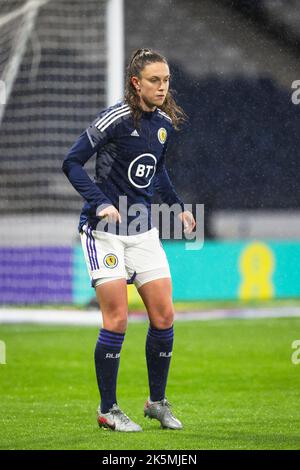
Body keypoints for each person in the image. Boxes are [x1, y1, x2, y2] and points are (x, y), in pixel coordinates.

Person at [62, 48, 196, 432]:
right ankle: (108, 408)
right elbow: (71, 161)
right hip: (104, 234)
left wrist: (178, 206)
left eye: (166, 80)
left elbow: (157, 171)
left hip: (143, 232)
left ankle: (156, 402)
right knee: (117, 320)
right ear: (136, 83)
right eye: (154, 80)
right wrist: (100, 202)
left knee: (164, 315)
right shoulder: (115, 119)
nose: (162, 86)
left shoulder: (164, 124)